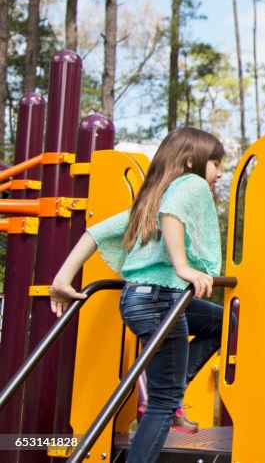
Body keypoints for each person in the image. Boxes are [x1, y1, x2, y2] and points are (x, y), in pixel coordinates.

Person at [50, 127, 226, 462]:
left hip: (136, 300)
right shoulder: (190, 185)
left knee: (224, 322)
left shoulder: (150, 198)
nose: (218, 172)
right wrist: (182, 265)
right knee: (162, 400)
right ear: (192, 160)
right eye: (215, 163)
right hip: (163, 299)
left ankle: (173, 388)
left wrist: (62, 279)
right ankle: (169, 395)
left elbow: (96, 231)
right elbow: (172, 214)